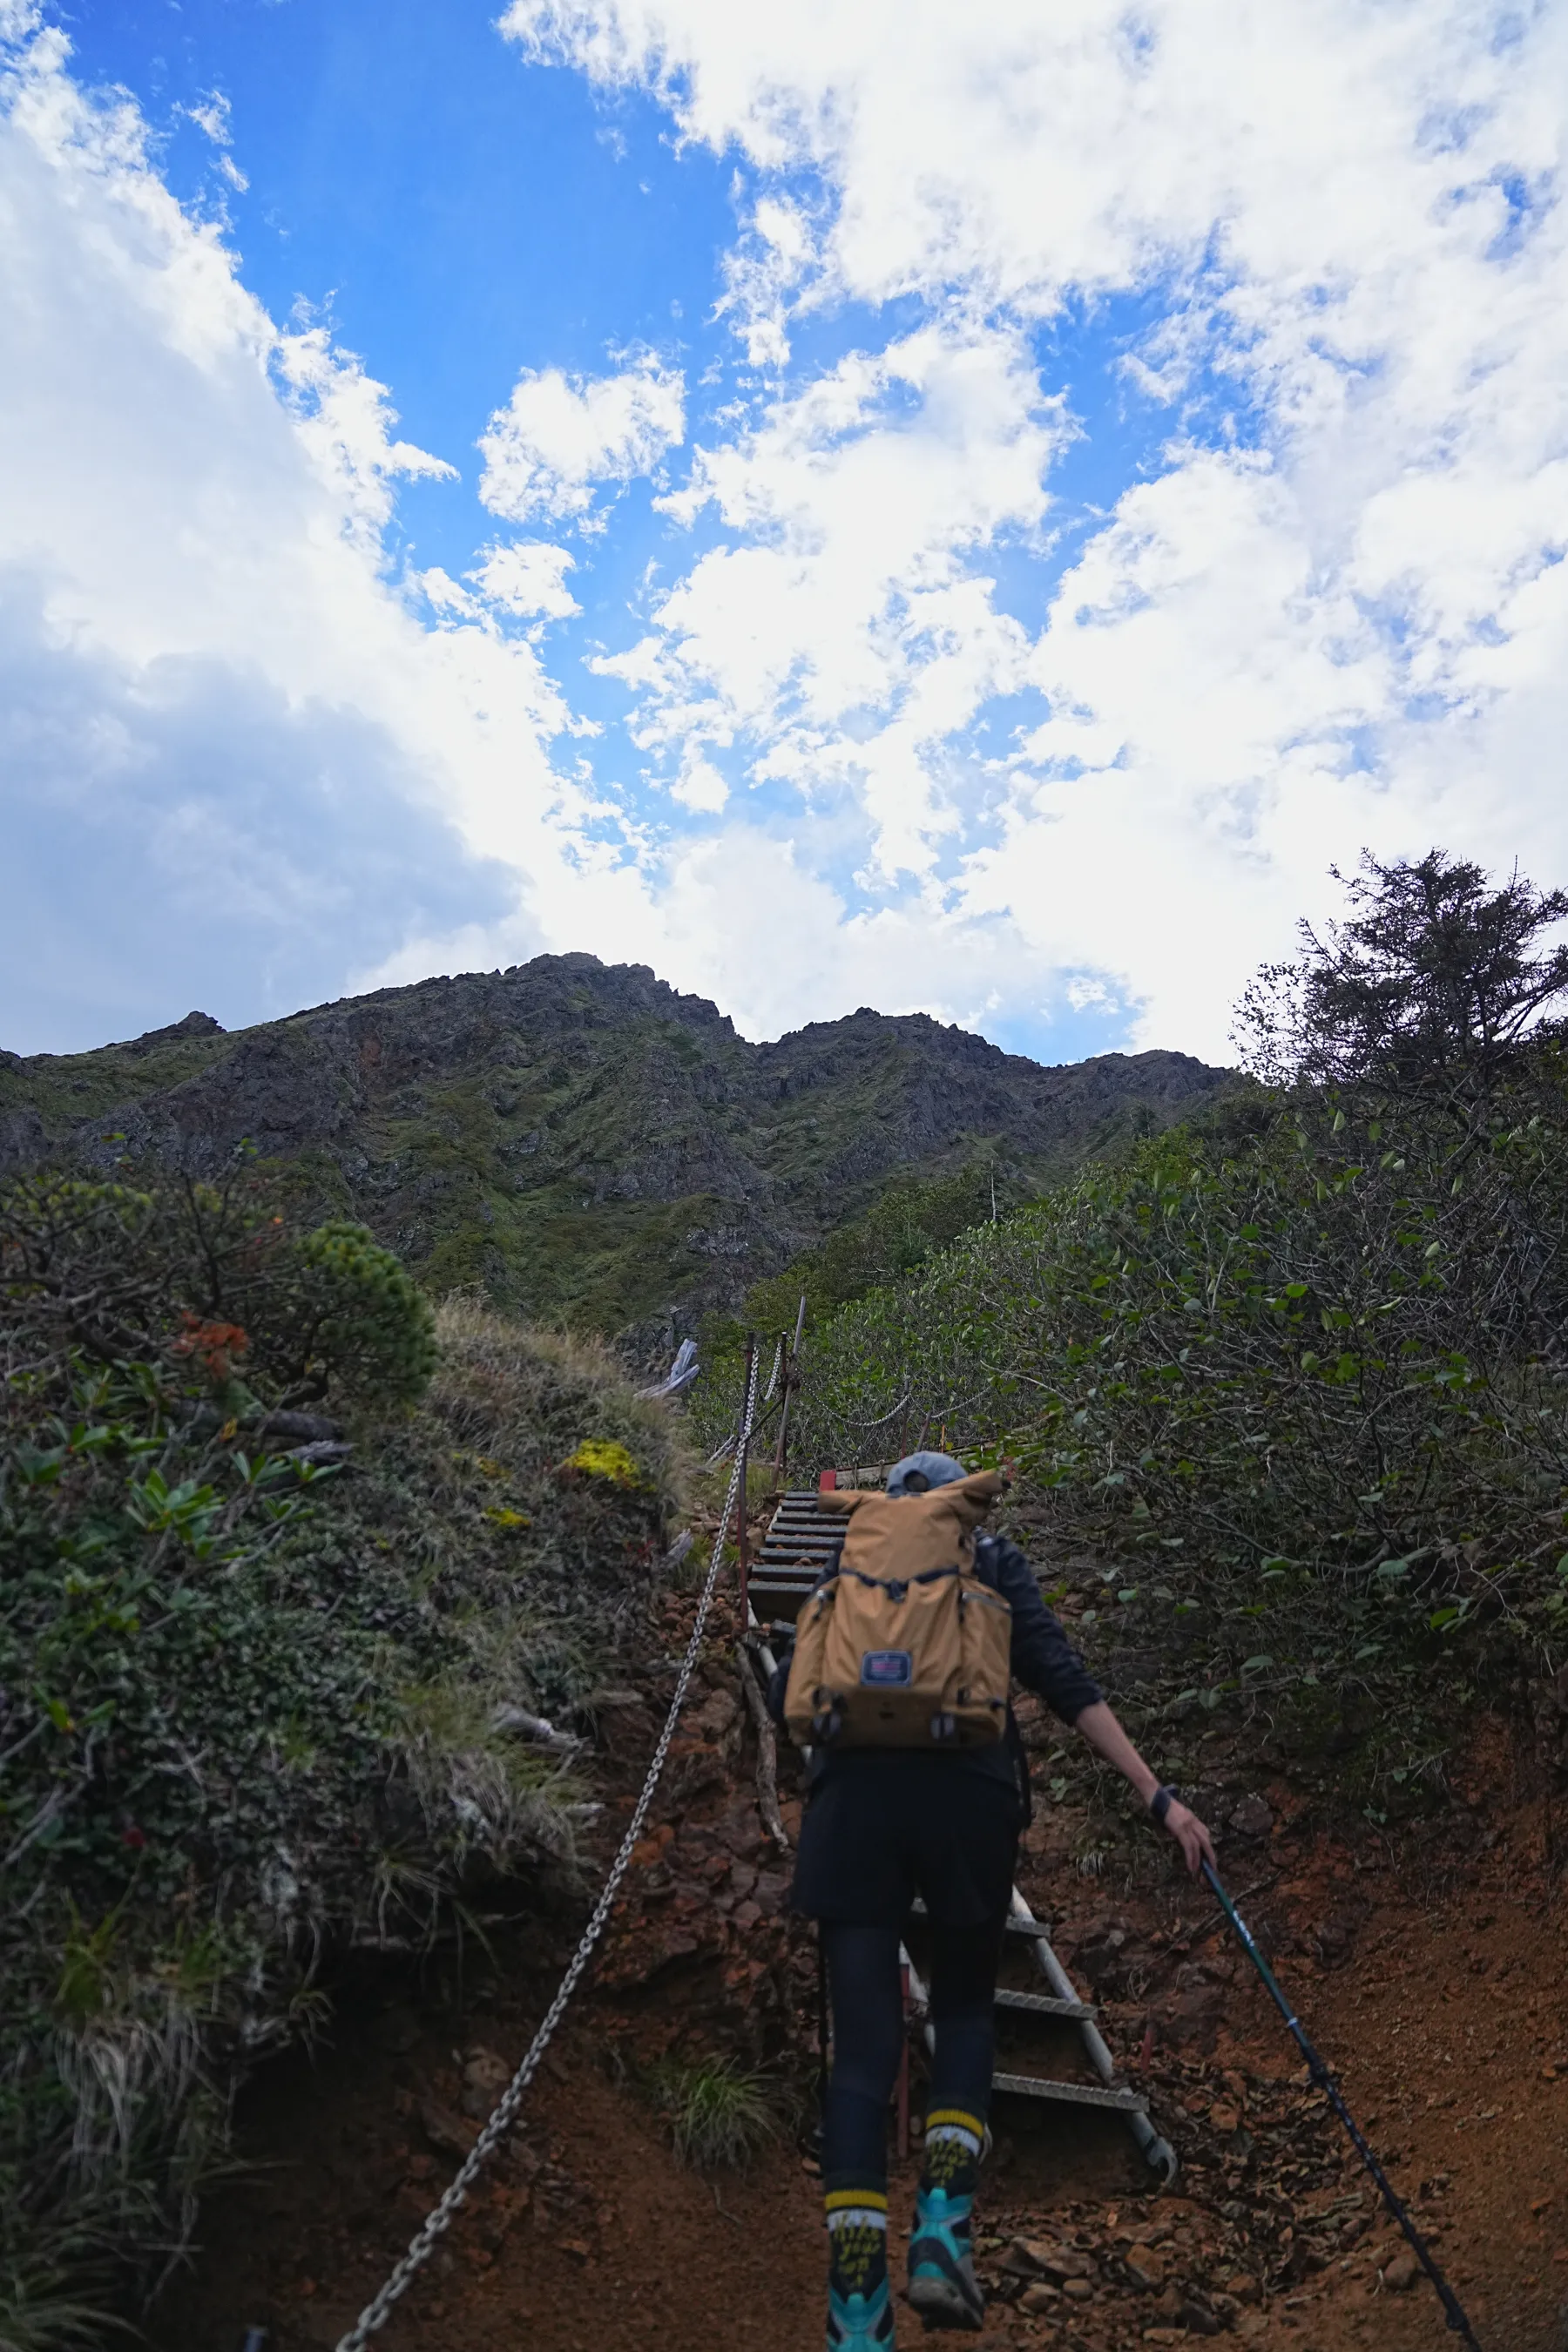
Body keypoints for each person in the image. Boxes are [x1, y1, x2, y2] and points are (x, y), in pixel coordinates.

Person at [774, 1450, 1216, 2350]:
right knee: (968, 2013)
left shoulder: (849, 1560)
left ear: (888, 1503)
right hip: (967, 1800)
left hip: (853, 1806)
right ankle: (941, 2228)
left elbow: (804, 1676)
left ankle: (857, 2306)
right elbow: (1063, 1682)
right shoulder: (994, 1564)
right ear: (954, 1503)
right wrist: (1157, 1796)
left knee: (860, 2060)